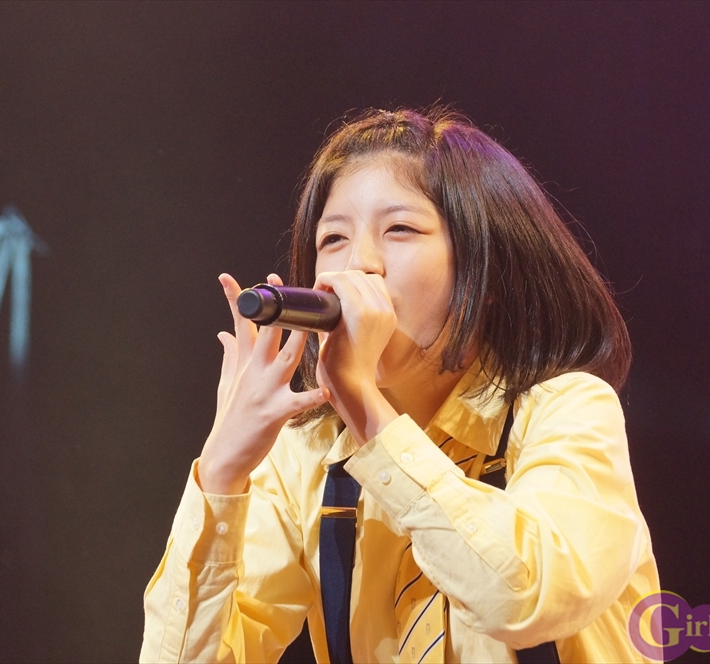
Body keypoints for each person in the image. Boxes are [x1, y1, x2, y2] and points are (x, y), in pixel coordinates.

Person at [139, 107, 660, 663]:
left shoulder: (567, 411)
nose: (359, 264)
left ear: (485, 274)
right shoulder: (306, 457)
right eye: (333, 238)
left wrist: (364, 407)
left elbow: (522, 598)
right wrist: (222, 471)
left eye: (400, 230)